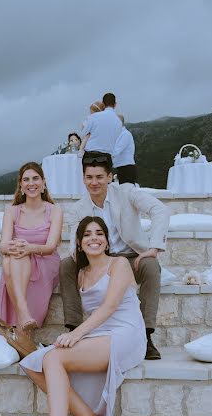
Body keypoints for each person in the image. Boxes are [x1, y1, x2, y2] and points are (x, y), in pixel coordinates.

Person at [20, 217, 146, 416]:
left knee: (53, 357)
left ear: (107, 241)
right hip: (100, 334)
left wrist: (76, 334)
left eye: (99, 233)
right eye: (87, 235)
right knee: (33, 364)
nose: (94, 238)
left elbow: (110, 306)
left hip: (126, 333)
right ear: (78, 243)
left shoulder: (119, 264)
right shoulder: (80, 275)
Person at [61, 151, 169, 360]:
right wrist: (90, 264)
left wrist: (154, 247)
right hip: (97, 259)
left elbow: (160, 210)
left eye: (100, 177)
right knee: (66, 265)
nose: (94, 182)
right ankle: (73, 327)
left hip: (130, 257)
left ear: (110, 177)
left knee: (152, 266)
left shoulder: (127, 192)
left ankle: (146, 336)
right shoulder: (77, 209)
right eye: (89, 177)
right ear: (83, 178)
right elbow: (74, 245)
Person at [0, 162, 63, 356]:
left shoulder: (54, 210)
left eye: (35, 179)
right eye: (26, 180)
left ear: (43, 183)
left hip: (45, 261)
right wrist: (15, 247)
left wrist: (29, 248)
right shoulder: (12, 211)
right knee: (12, 259)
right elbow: (2, 246)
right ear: (21, 185)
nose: (31, 183)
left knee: (12, 261)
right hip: (19, 263)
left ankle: (20, 328)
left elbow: (51, 246)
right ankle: (24, 321)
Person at [79, 92, 124, 158]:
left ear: (103, 103)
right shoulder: (119, 122)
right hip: (107, 156)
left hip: (90, 155)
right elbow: (117, 141)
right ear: (115, 104)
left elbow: (83, 135)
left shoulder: (93, 116)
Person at [113, 114, 137, 183]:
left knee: (126, 192)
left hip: (126, 168)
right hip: (121, 168)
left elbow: (116, 151)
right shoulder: (119, 135)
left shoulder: (125, 134)